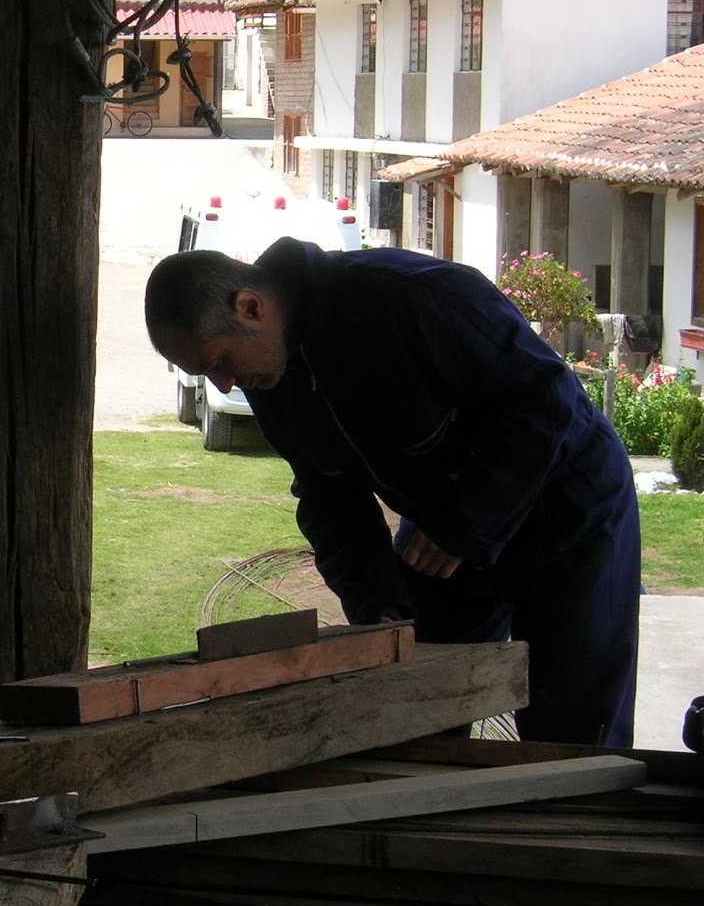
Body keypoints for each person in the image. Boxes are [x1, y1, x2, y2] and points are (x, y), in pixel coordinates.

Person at [144, 238, 641, 747]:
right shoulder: (271, 376)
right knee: (416, 705)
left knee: (575, 728)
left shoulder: (410, 295)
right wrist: (378, 602)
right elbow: (327, 497)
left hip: (569, 507)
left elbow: (543, 396)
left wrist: (465, 521)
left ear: (250, 307)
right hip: (443, 527)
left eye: (220, 362)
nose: (225, 385)